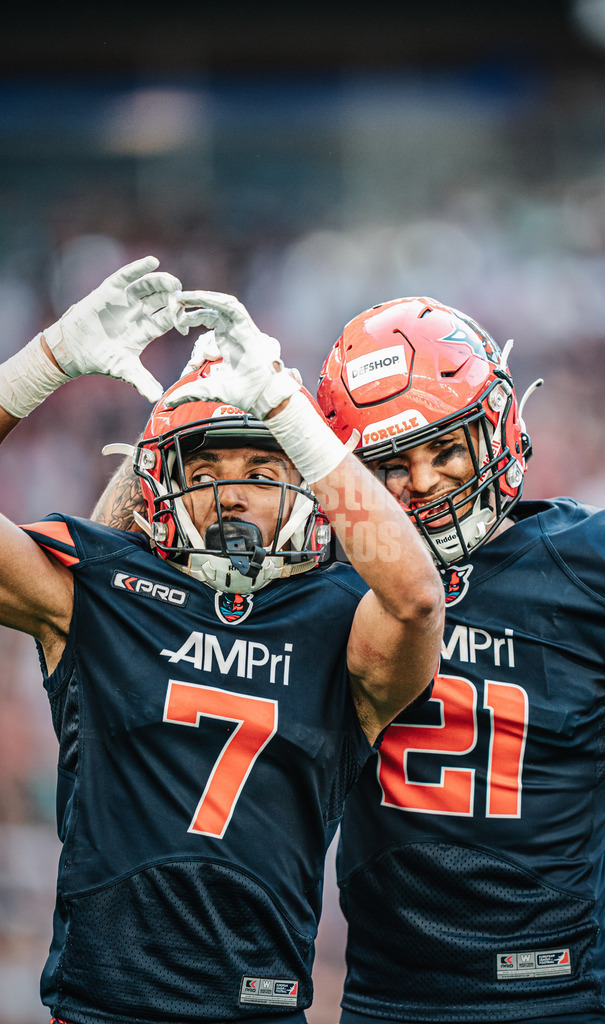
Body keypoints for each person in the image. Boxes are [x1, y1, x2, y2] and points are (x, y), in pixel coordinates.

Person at [0, 268, 444, 1024]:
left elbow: (417, 595)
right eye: (202, 469)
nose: (229, 493)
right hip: (100, 1008)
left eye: (262, 469)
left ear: (309, 479)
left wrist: (283, 405)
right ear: (158, 484)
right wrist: (47, 360)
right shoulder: (104, 589)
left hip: (260, 1010)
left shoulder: (338, 619)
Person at [313, 295, 605, 1024]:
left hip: (548, 997)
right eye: (390, 464)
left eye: (444, 448)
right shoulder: (329, 585)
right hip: (385, 1000)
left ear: (498, 424)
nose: (422, 482)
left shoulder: (604, 566)